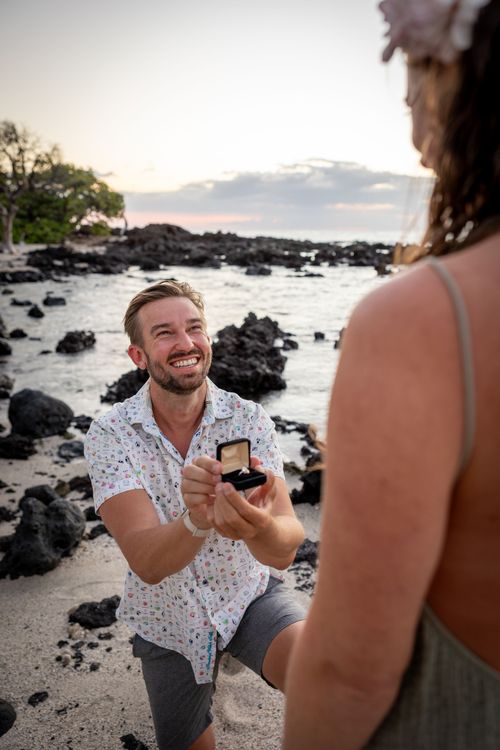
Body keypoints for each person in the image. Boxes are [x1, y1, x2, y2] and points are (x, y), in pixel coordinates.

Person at [283, 1, 500, 748]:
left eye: (409, 62)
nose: (405, 91)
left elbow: (349, 668)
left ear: (463, 73)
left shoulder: (425, 321)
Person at [84, 279, 305, 750]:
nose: (185, 344)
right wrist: (197, 519)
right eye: (164, 333)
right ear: (138, 356)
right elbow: (146, 562)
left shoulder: (248, 420)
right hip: (167, 621)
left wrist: (258, 524)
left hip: (247, 597)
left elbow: (284, 550)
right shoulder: (110, 435)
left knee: (329, 678)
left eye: (194, 328)